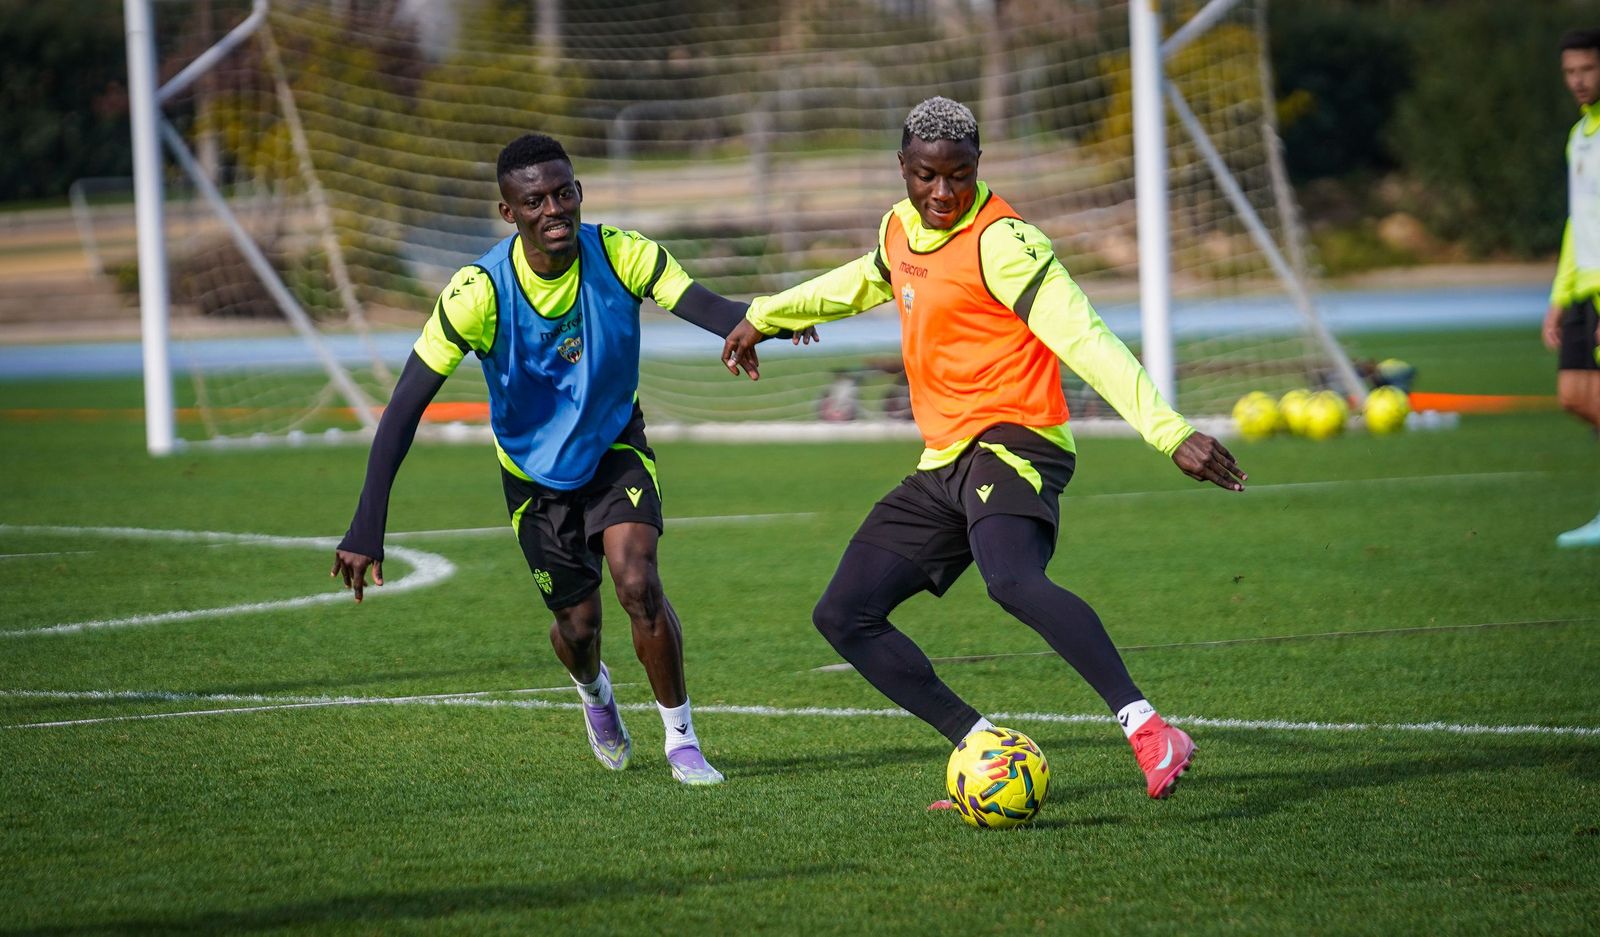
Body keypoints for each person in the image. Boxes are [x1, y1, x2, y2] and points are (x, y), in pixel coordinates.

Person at [722, 97, 1246, 800]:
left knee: (1012, 580)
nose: (942, 193)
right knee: (842, 614)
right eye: (925, 176)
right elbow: (862, 279)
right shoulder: (899, 227)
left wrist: (1170, 430)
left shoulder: (1005, 242)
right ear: (902, 168)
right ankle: (980, 744)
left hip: (1016, 440)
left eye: (959, 175)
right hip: (946, 460)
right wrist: (765, 316)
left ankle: (1150, 728)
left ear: (979, 167)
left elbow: (1085, 337)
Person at [331, 133, 810, 785]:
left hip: (615, 446)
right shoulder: (478, 293)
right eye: (535, 201)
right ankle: (595, 694)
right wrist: (368, 523)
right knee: (578, 629)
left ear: (579, 192)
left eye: (565, 193)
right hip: (532, 477)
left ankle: (682, 741)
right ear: (510, 213)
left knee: (637, 580)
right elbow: (404, 408)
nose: (554, 209)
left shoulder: (620, 254)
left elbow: (710, 307)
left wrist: (771, 319)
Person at [1546, 28, 1600, 548]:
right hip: (1582, 291)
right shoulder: (1580, 136)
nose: (1579, 81)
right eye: (1570, 72)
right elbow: (1577, 221)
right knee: (1575, 397)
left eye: (1587, 69)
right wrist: (1559, 297)